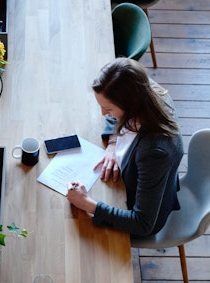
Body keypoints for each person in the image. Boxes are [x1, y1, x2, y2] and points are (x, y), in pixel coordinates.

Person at [66, 58, 184, 237]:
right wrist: (113, 142)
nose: (103, 114)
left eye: (108, 109)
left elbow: (142, 223)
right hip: (132, 179)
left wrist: (87, 204)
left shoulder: (154, 153)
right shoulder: (142, 89)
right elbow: (115, 116)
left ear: (130, 105)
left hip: (140, 213)